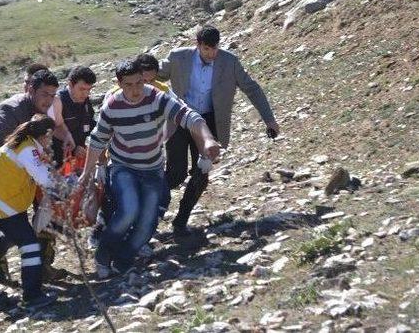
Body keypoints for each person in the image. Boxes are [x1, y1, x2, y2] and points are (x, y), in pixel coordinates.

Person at [79, 60, 221, 277]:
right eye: (129, 85)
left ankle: (123, 258)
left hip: (153, 169)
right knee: (128, 211)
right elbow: (97, 140)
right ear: (119, 84)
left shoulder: (156, 98)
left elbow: (190, 117)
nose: (136, 90)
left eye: (139, 83)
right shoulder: (112, 107)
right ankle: (103, 254)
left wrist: (208, 140)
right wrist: (88, 172)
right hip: (123, 167)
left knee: (147, 225)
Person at [157, 25, 280, 236]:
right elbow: (154, 74)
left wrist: (269, 119)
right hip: (179, 120)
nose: (211, 54)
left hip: (209, 124)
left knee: (201, 174)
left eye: (215, 48)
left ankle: (181, 220)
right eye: (206, 49)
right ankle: (150, 212)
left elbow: (251, 88)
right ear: (198, 45)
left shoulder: (229, 62)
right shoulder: (178, 57)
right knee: (175, 174)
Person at [0, 69, 71, 307]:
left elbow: (36, 168)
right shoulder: (10, 112)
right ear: (29, 90)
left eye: (53, 95)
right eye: (44, 94)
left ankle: (30, 294)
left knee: (25, 242)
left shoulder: (37, 125)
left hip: (9, 196)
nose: (49, 100)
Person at [0, 115, 58, 321]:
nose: (51, 141)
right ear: (44, 135)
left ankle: (32, 295)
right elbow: (44, 178)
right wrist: (66, 182)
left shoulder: (23, 145)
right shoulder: (27, 149)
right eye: (50, 137)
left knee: (29, 245)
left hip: (6, 209)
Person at [51, 66, 97, 168]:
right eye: (82, 89)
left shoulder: (85, 101)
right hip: (59, 161)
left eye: (89, 89)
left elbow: (90, 123)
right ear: (71, 84)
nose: (86, 94)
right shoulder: (57, 102)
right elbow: (52, 131)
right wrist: (74, 148)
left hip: (79, 156)